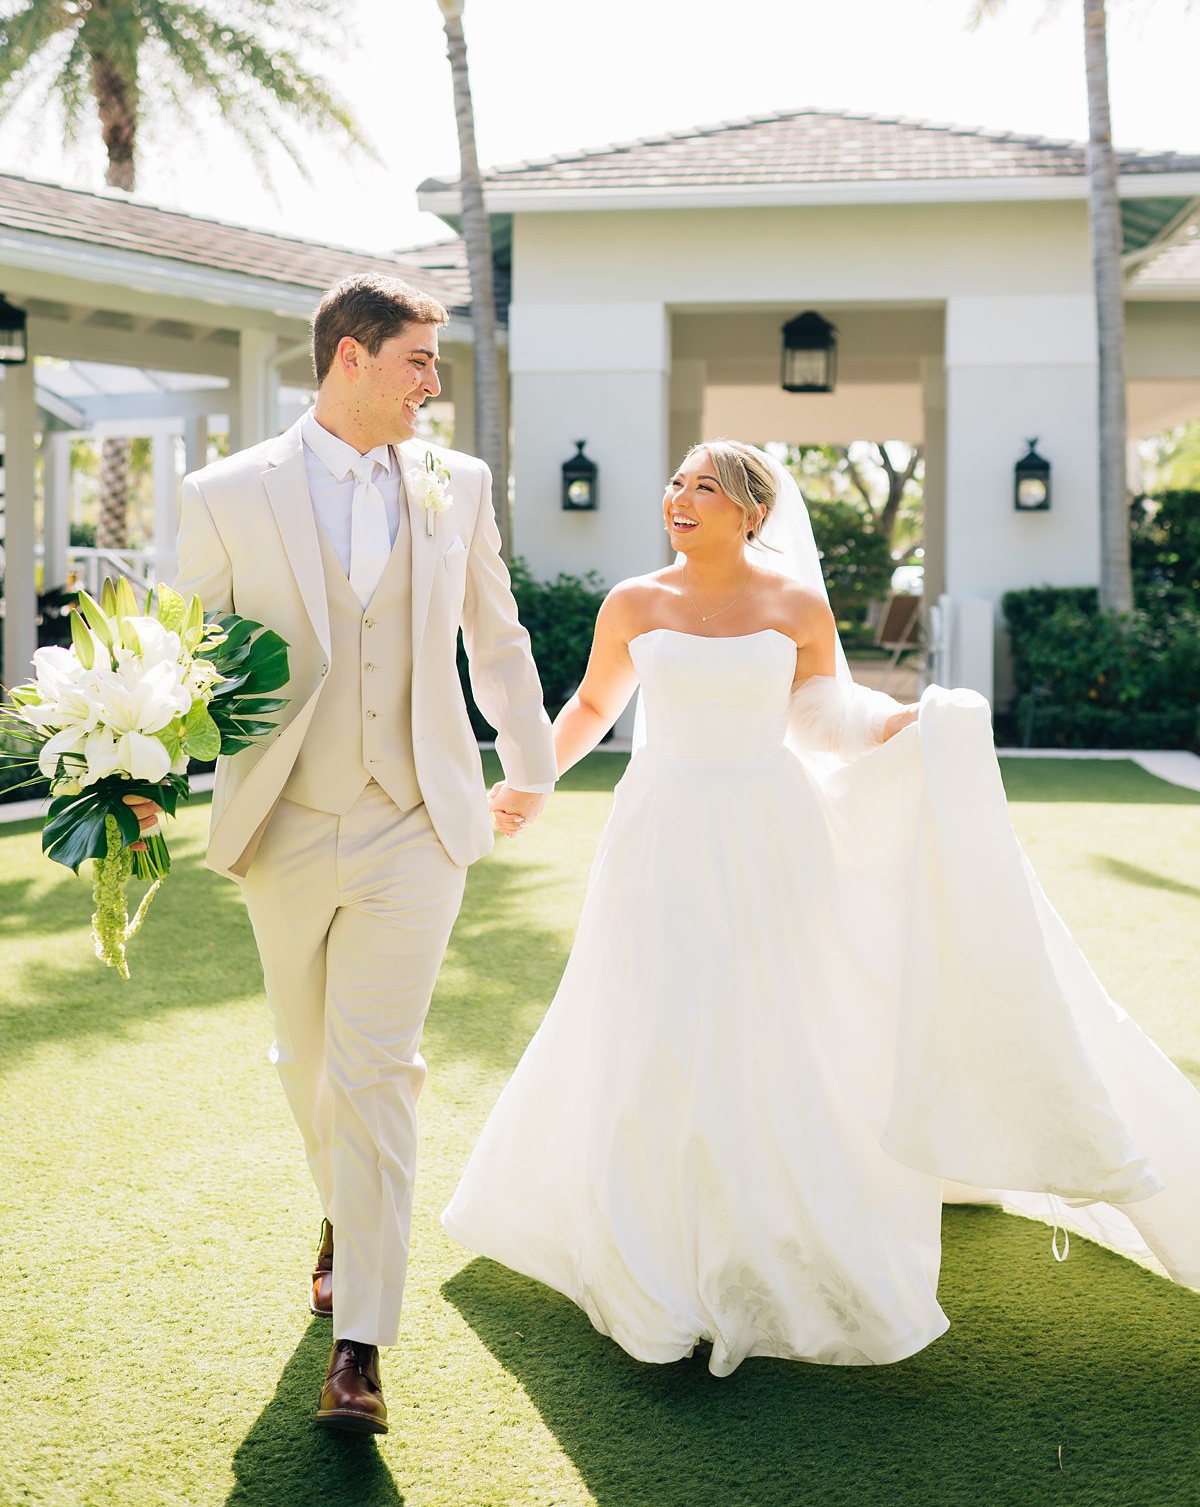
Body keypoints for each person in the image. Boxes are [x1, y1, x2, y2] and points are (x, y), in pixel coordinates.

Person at [447, 439, 1200, 1375]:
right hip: (663, 832)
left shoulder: (795, 603)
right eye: (676, 481)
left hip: (771, 833)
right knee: (659, 1019)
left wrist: (903, 722)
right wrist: (531, 780)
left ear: (752, 512)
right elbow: (596, 705)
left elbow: (820, 714)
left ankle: (770, 1237)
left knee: (772, 1026)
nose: (680, 498)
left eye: (705, 487)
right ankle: (653, 1258)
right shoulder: (634, 601)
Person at [128, 273, 555, 1432]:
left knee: (378, 1070)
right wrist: (142, 773)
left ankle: (360, 1345)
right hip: (285, 817)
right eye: (420, 359)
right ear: (352, 359)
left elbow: (495, 630)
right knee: (307, 1066)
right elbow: (180, 646)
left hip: (417, 819)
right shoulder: (226, 494)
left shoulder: (455, 485)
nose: (435, 383)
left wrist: (528, 764)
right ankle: (344, 1212)